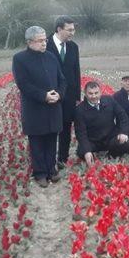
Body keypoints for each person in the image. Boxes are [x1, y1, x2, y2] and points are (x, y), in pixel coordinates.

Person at [12, 25, 67, 187]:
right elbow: (23, 84)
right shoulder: (20, 59)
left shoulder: (51, 57)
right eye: (40, 41)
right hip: (35, 108)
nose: (44, 43)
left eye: (45, 40)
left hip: (54, 106)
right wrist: (44, 96)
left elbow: (62, 79)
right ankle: (40, 173)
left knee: (51, 139)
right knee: (36, 141)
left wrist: (59, 94)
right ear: (30, 42)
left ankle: (52, 170)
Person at [46, 16, 81, 169]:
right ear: (59, 29)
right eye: (70, 30)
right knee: (50, 128)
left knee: (66, 127)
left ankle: (63, 158)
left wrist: (77, 96)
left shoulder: (73, 47)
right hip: (51, 94)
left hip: (68, 95)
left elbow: (76, 72)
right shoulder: (44, 45)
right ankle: (48, 160)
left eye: (74, 29)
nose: (73, 33)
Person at [74, 81, 129, 167]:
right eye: (90, 93)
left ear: (101, 92)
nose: (94, 96)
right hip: (93, 141)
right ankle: (91, 154)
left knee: (127, 144)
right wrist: (87, 150)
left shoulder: (109, 100)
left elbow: (122, 116)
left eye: (96, 93)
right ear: (85, 94)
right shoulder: (80, 110)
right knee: (81, 151)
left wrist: (123, 132)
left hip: (110, 138)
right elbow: (80, 132)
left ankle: (111, 154)